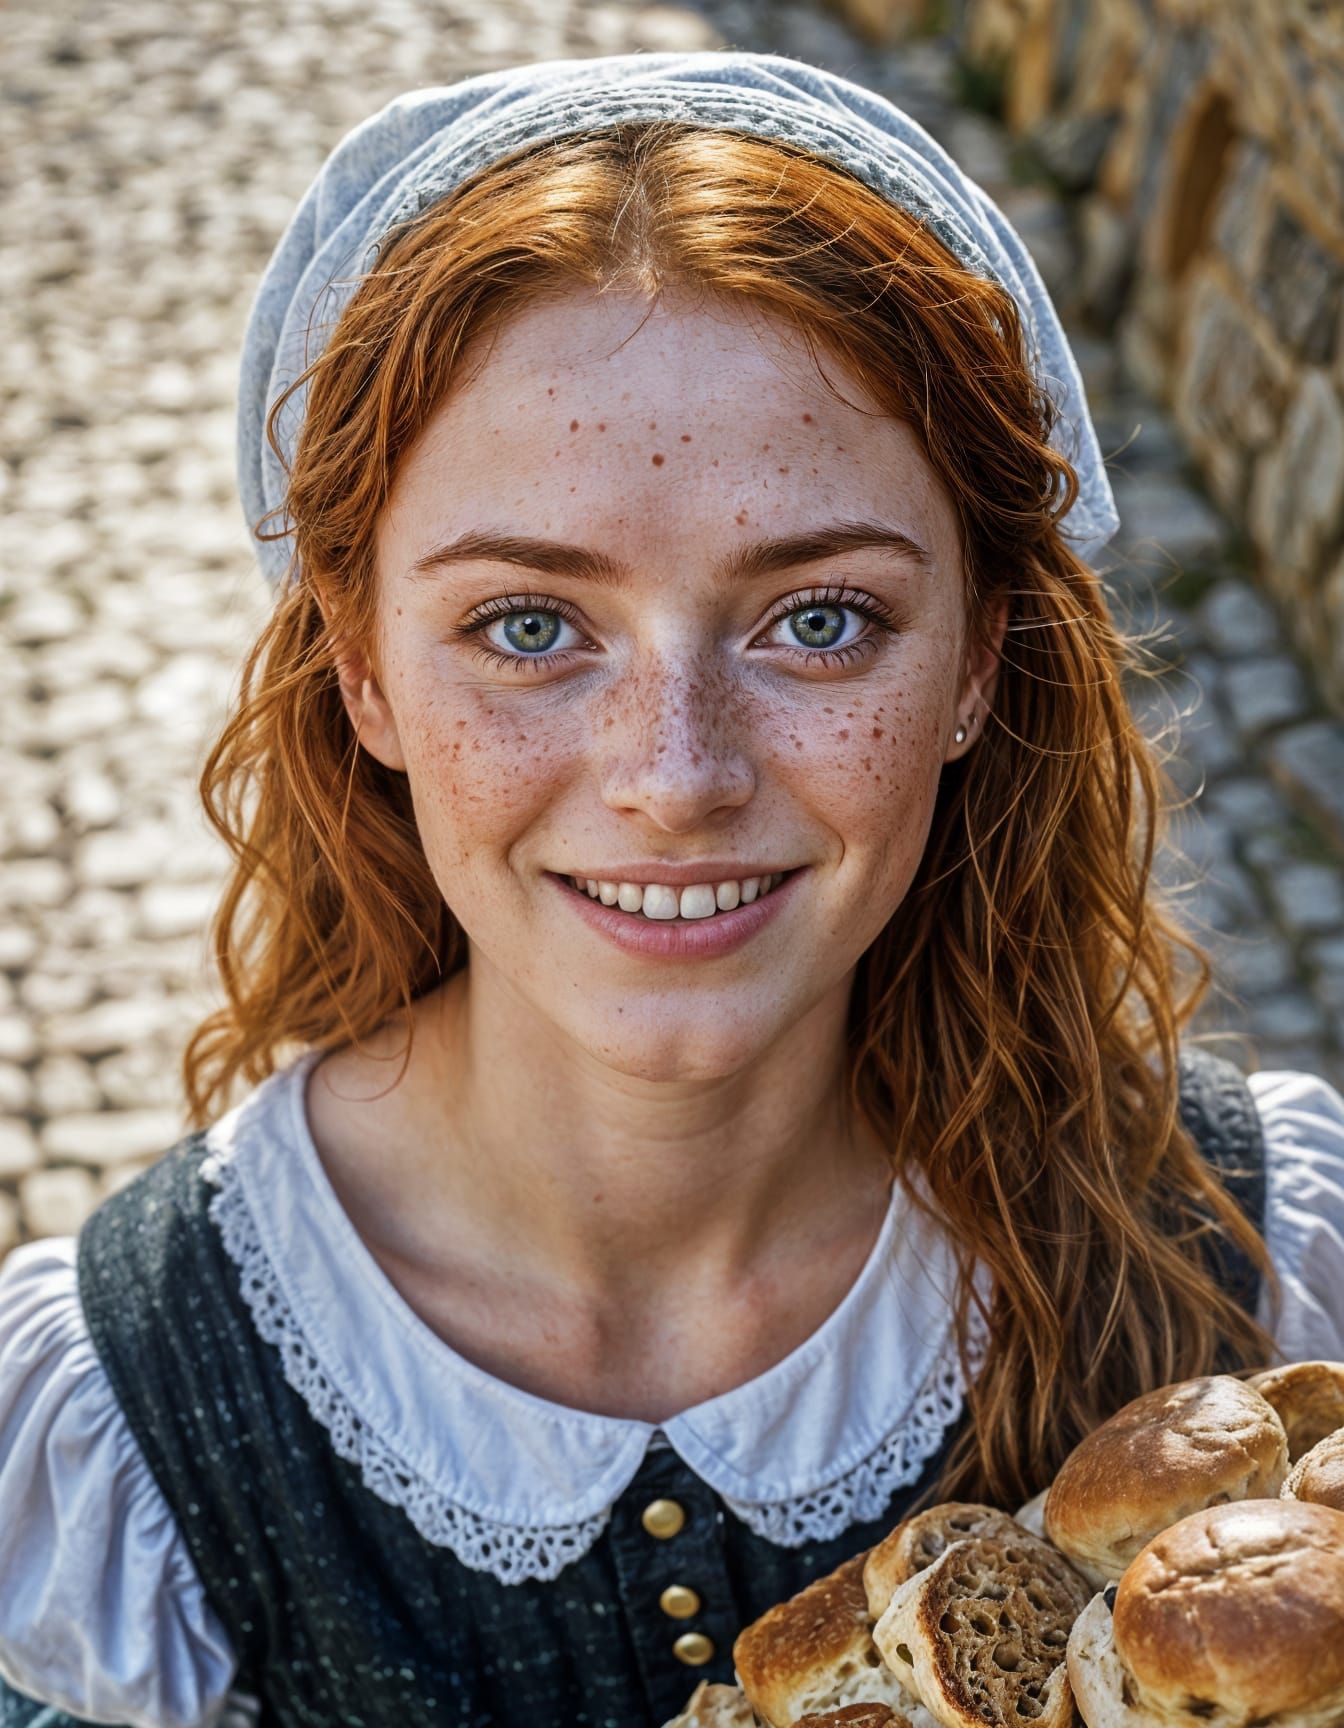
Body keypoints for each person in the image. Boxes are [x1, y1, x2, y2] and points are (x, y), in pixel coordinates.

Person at [0, 50, 1341, 1728]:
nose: (677, 775)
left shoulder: (1267, 1269)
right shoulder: (123, 1442)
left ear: (983, 660)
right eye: (528, 626)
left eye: (822, 617)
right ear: (362, 675)